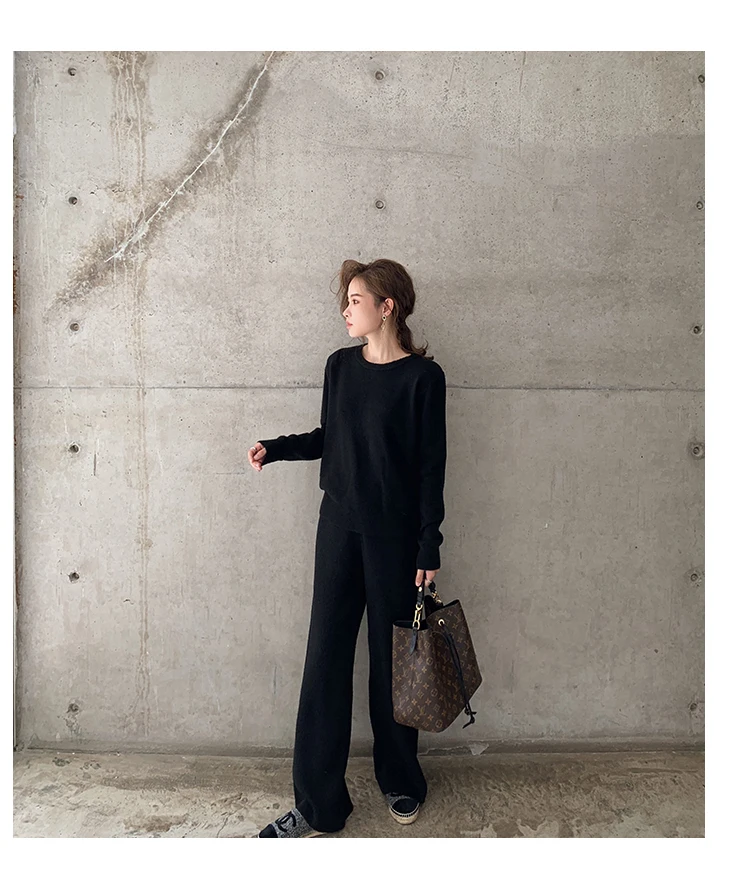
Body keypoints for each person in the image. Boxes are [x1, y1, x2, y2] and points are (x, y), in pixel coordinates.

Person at [247, 258, 447, 838]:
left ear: (388, 307)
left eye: (356, 300)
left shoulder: (423, 379)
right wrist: (276, 447)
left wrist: (428, 547)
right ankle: (317, 805)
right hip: (337, 530)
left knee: (394, 666)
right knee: (325, 662)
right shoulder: (339, 366)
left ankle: (401, 778)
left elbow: (431, 469)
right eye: (347, 300)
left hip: (395, 541)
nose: (345, 310)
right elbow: (330, 437)